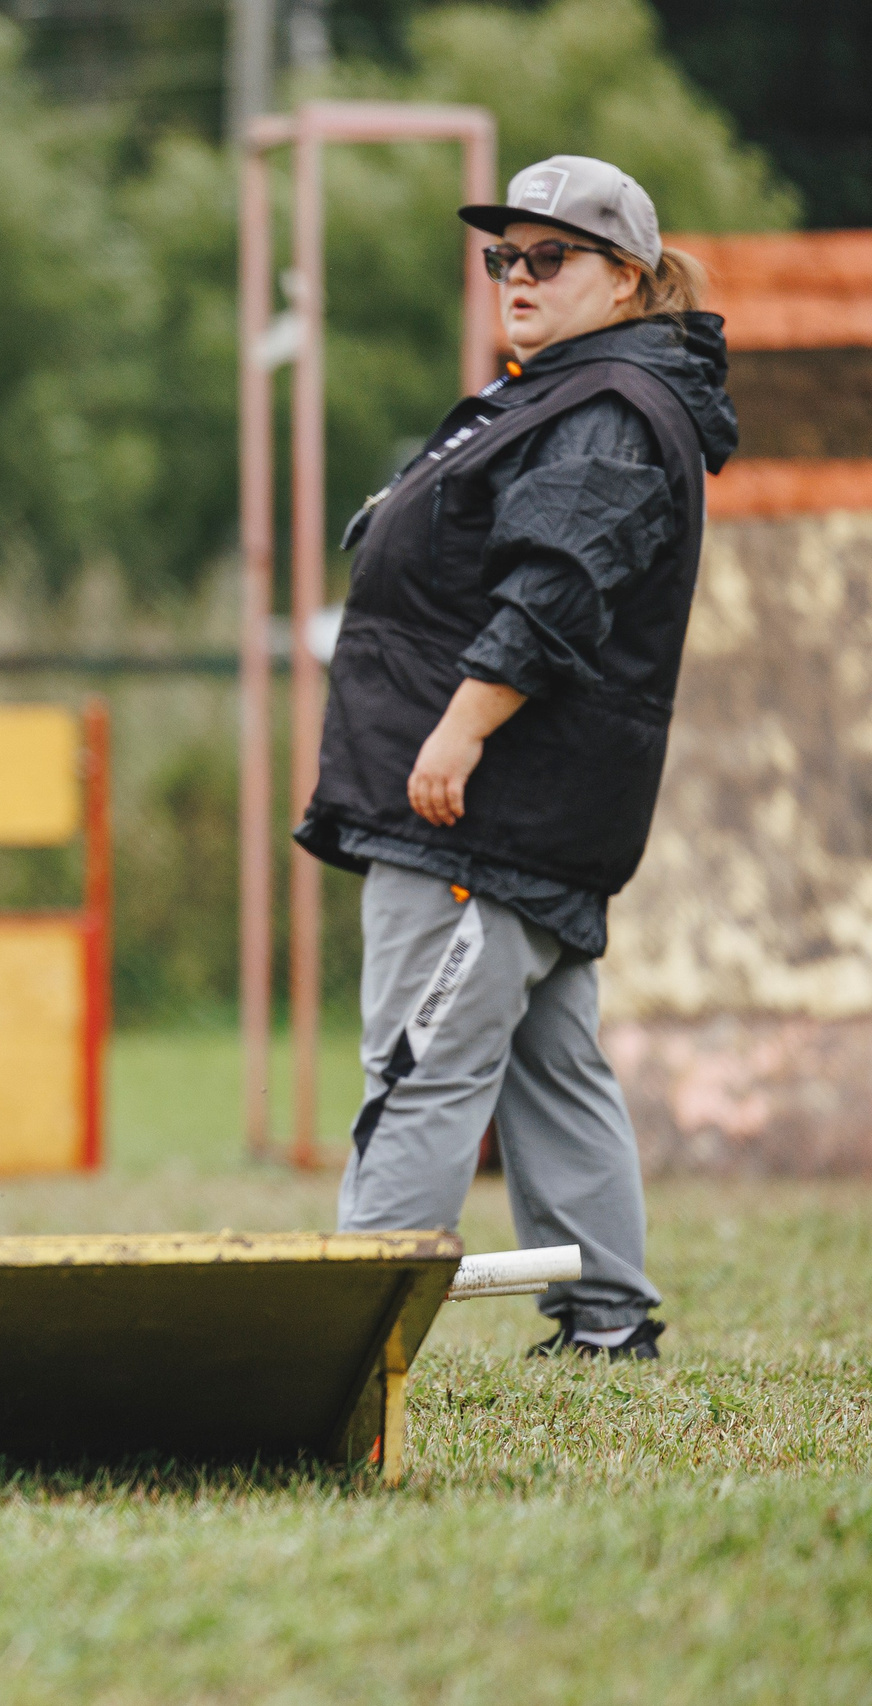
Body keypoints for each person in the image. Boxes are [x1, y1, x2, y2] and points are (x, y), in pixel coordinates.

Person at [296, 155, 738, 1362]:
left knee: (419, 1062)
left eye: (550, 256)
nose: (517, 277)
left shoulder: (603, 409)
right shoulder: (569, 391)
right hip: (524, 815)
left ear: (629, 280)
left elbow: (558, 587)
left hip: (481, 812)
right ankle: (605, 1323)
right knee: (551, 1061)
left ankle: (350, 1346)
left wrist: (459, 724)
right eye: (503, 256)